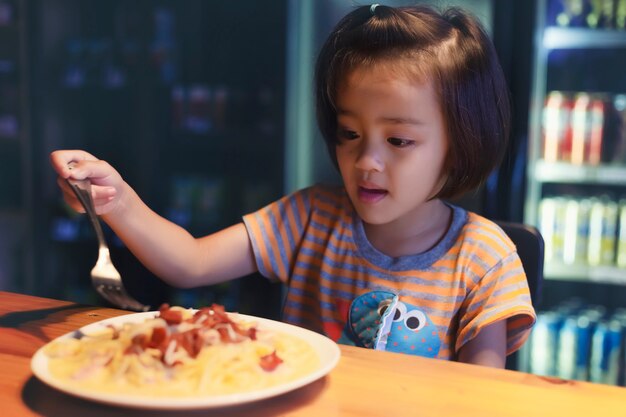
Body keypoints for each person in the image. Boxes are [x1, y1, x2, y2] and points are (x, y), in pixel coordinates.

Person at [50, 4, 536, 368]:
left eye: (399, 140)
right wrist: (116, 200)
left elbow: (481, 396)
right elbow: (190, 262)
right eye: (349, 133)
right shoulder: (311, 218)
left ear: (462, 141)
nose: (366, 160)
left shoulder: (484, 258)